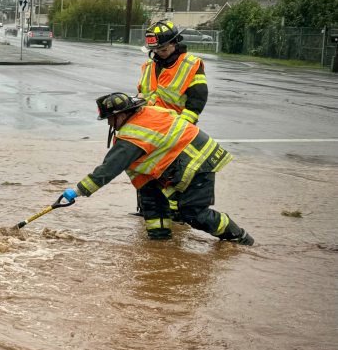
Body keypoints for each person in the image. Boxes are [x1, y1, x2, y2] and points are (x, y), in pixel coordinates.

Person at [73, 92, 254, 245]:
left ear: (121, 115)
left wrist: (76, 191)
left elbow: (108, 169)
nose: (109, 124)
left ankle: (240, 238)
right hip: (185, 161)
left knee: (193, 213)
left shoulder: (132, 135)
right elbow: (140, 174)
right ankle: (160, 241)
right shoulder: (147, 112)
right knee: (150, 199)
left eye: (110, 119)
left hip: (198, 162)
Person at [138, 20, 208, 125]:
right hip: (150, 124)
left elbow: (197, 100)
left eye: (163, 49)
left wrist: (183, 125)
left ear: (174, 43)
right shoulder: (148, 66)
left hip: (175, 126)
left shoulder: (191, 65)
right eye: (155, 50)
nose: (159, 53)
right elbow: (141, 93)